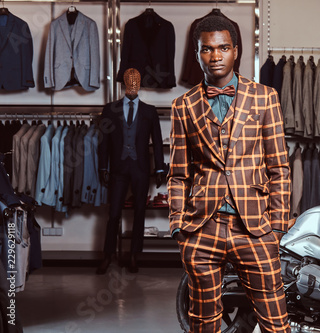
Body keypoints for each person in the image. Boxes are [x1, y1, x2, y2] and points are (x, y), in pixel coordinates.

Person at [167, 15, 291, 333]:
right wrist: (179, 227)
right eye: (207, 49)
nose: (216, 56)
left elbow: (279, 168)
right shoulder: (183, 105)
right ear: (196, 54)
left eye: (223, 47)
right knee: (203, 323)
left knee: (276, 322)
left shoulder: (265, 98)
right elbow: (178, 173)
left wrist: (276, 228)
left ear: (236, 50)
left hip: (255, 229)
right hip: (202, 228)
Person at [97, 68, 166, 274]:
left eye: (137, 81)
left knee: (139, 212)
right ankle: (108, 255)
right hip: (118, 167)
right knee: (114, 214)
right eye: (130, 80)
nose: (133, 84)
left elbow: (158, 142)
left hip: (141, 168)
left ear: (140, 84)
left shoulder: (149, 111)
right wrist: (103, 166)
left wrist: (160, 167)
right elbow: (103, 142)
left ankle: (134, 255)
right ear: (125, 83)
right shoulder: (110, 109)